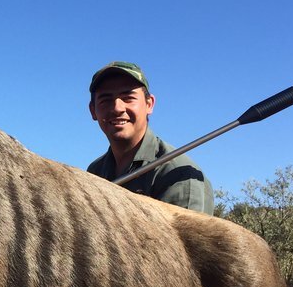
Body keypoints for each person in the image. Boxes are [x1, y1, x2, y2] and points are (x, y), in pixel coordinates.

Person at [87, 61, 214, 215]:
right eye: (105, 100)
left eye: (128, 98)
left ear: (149, 104)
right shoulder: (94, 172)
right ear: (93, 111)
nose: (117, 108)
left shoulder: (178, 173)